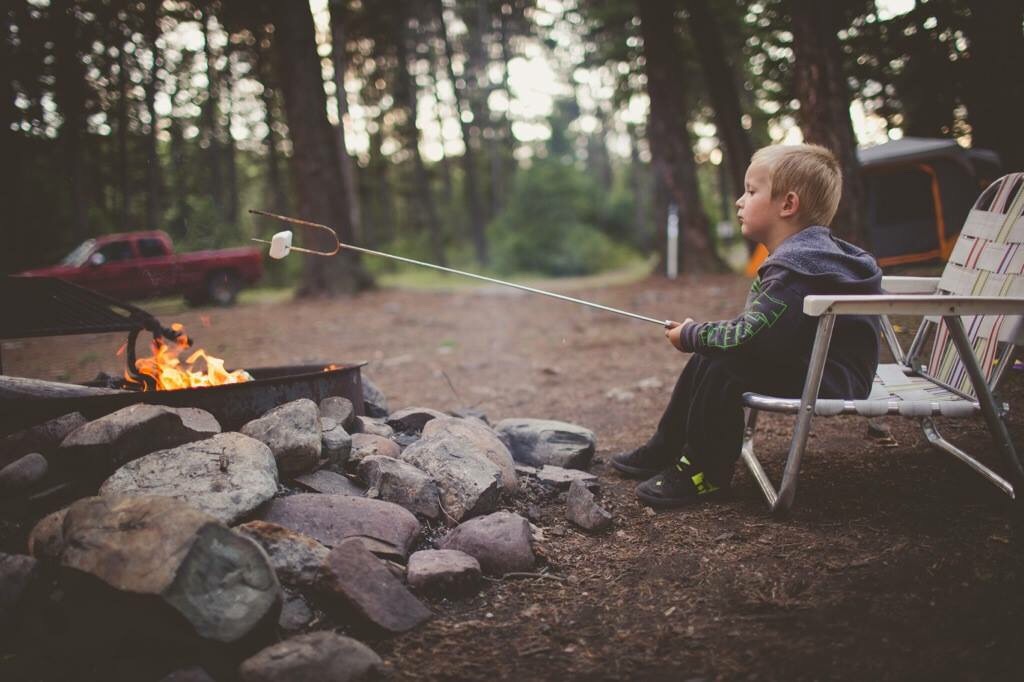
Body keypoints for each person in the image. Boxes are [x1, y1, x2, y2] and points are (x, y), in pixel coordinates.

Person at [613, 143, 883, 507]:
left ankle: (704, 473)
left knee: (726, 365)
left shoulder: (797, 271)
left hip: (830, 377)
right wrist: (702, 340)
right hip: (814, 363)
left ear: (787, 205)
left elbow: (752, 338)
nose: (740, 201)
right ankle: (667, 446)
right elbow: (762, 331)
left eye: (751, 192)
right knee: (709, 357)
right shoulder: (807, 258)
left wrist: (693, 335)